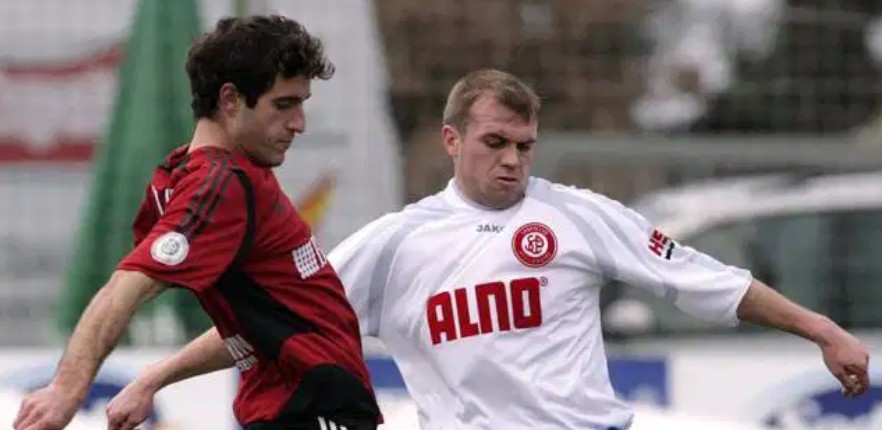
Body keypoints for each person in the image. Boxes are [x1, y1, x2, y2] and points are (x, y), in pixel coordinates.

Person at [103, 69, 870, 430]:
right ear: (452, 140)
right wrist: (154, 377)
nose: (512, 160)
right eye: (495, 142)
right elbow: (269, 323)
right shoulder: (397, 244)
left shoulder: (579, 216)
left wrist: (821, 329)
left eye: (524, 146)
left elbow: (707, 281)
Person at [13, 15, 382, 430]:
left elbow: (261, 325)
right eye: (284, 105)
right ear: (231, 100)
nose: (300, 123)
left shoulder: (220, 177)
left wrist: (154, 377)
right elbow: (125, 288)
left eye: (302, 103)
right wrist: (65, 391)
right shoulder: (218, 187)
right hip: (315, 410)